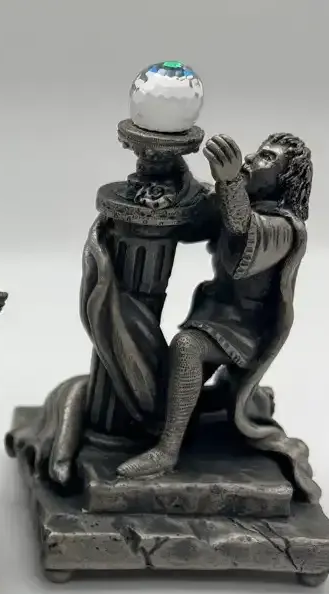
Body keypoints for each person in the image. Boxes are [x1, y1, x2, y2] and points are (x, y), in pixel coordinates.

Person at [118, 132, 319, 499]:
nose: (253, 159)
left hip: (247, 328)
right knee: (166, 377)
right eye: (259, 152)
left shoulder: (285, 229)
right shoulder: (242, 201)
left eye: (267, 159)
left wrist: (230, 183)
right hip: (215, 314)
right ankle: (174, 419)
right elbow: (202, 206)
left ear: (284, 180)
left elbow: (244, 234)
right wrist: (172, 159)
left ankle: (167, 451)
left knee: (187, 347)